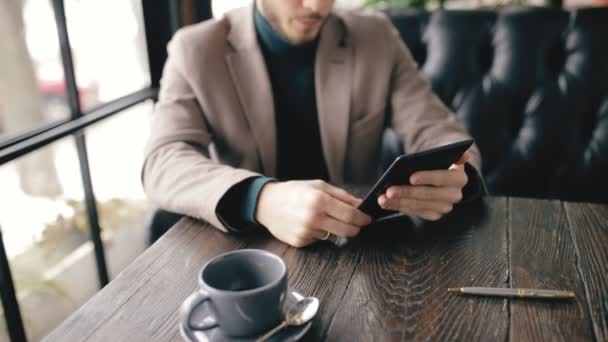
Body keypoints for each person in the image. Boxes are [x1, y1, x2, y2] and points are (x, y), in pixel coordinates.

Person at [142, 0, 485, 248]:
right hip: (246, 251)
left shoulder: (377, 36)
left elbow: (436, 128)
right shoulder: (196, 48)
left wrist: (459, 177)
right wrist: (261, 199)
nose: (316, 7)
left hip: (358, 246)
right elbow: (163, 159)